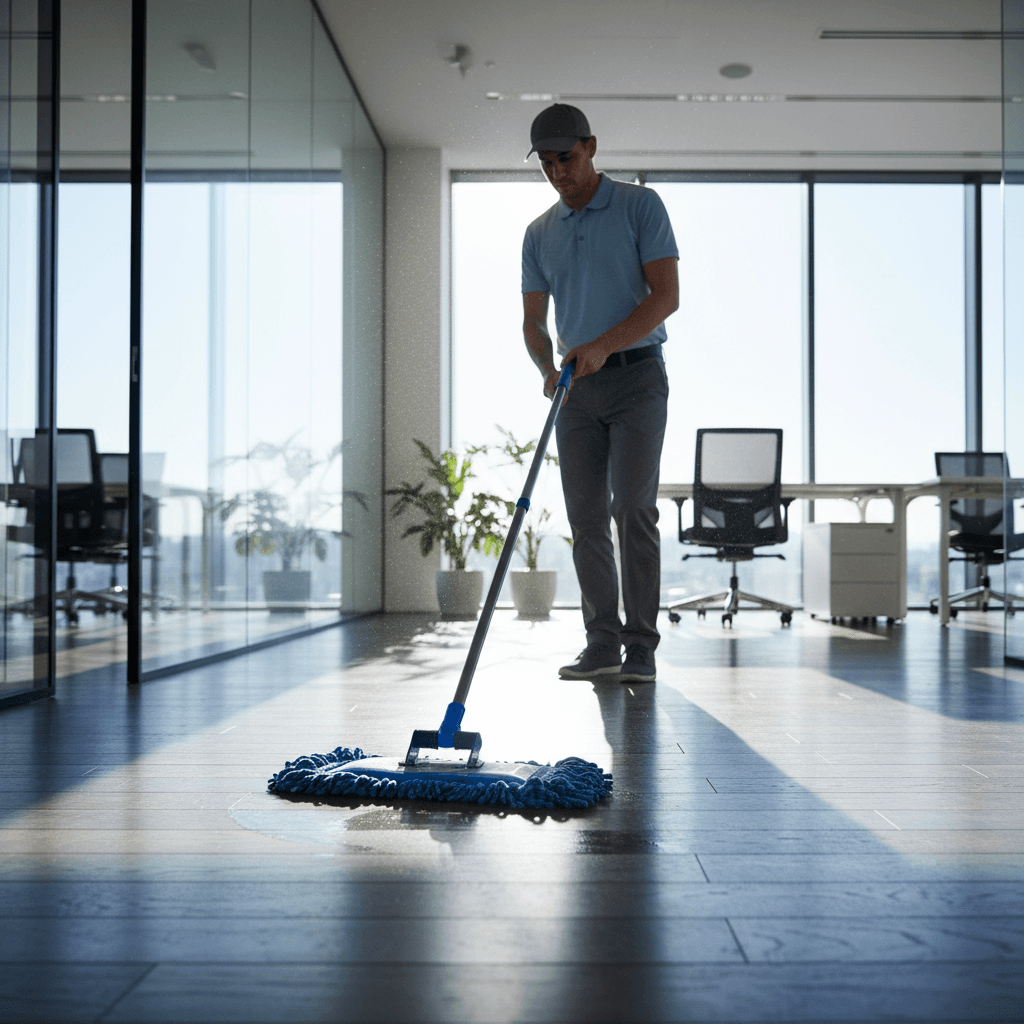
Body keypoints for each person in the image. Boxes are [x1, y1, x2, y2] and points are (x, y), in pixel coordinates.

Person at [521, 103, 679, 684]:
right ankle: (602, 645)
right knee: (586, 519)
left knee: (632, 510)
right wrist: (545, 366)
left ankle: (641, 647)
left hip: (638, 379)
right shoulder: (539, 234)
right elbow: (534, 323)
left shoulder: (641, 206)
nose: (558, 171)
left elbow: (665, 298)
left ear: (590, 146)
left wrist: (603, 346)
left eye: (566, 157)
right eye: (546, 163)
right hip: (575, 391)